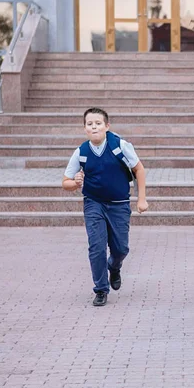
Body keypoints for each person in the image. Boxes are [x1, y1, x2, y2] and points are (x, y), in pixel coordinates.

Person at [62, 107, 148, 306]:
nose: (94, 127)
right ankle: (101, 289)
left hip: (119, 205)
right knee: (97, 247)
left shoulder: (120, 146)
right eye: (90, 124)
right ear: (84, 128)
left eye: (98, 123)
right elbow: (65, 181)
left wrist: (141, 199)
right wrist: (75, 182)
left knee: (121, 248)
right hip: (94, 204)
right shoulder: (81, 152)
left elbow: (139, 169)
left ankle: (114, 266)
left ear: (107, 126)